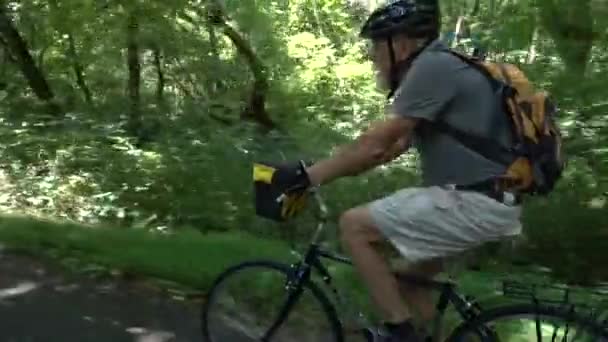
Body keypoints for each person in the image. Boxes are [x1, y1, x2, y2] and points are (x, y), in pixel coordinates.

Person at [275, 0, 523, 340]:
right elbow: (383, 152)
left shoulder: (432, 67)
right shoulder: (443, 70)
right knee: (408, 283)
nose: (372, 56)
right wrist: (324, 172)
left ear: (401, 43)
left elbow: (374, 144)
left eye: (376, 46)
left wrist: (306, 179)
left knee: (354, 227)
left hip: (471, 203)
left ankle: (399, 332)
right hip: (487, 203)